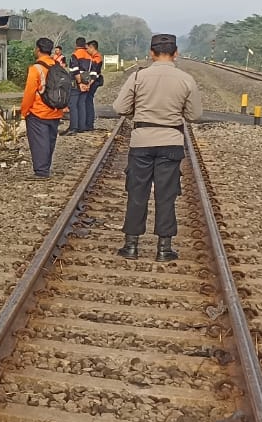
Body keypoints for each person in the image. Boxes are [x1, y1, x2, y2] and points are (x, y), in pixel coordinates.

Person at [112, 33, 203, 261]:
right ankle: (164, 249)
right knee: (166, 195)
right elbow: (194, 115)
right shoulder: (186, 79)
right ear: (176, 53)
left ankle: (131, 246)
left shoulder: (137, 77)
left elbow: (119, 107)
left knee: (137, 193)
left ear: (151, 53)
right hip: (171, 142)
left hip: (141, 141)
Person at [20, 38, 69, 178]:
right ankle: (45, 167)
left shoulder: (35, 69)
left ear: (38, 50)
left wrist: (24, 112)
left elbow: (29, 93)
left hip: (38, 111)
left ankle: (41, 171)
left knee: (39, 142)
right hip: (55, 111)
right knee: (49, 141)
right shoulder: (57, 66)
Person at [68, 36, 95, 134]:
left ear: (76, 45)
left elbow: (75, 70)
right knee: (82, 104)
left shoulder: (75, 55)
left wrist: (79, 83)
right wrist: (87, 84)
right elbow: (93, 72)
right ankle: (82, 127)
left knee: (73, 104)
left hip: (76, 83)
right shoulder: (89, 56)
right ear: (85, 45)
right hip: (87, 82)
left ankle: (73, 127)